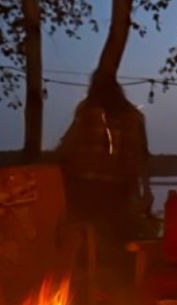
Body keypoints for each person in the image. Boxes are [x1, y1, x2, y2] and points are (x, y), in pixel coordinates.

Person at [57, 71, 153, 261]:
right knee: (114, 237)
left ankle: (89, 275)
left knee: (86, 236)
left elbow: (68, 146)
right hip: (118, 188)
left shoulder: (86, 111)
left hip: (84, 185)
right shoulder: (134, 116)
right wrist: (146, 189)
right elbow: (141, 155)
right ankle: (113, 278)